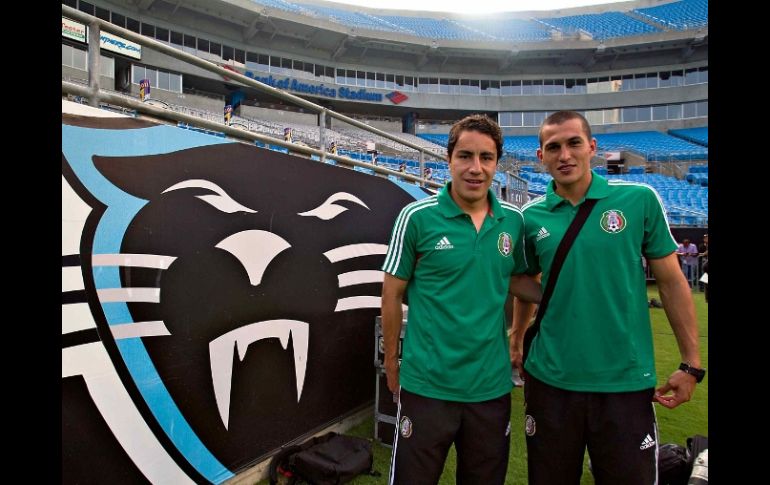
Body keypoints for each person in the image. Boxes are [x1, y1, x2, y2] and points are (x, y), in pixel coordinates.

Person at [511, 111, 703, 485]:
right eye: (553, 147)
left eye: (573, 143)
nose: (564, 154)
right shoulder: (530, 216)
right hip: (551, 380)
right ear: (541, 157)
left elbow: (672, 282)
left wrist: (691, 364)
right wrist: (518, 336)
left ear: (592, 148)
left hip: (624, 384)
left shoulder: (638, 199)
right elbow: (524, 280)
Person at [381, 114, 541, 484]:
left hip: (491, 387)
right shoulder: (416, 217)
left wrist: (560, 300)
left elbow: (517, 278)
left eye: (486, 158)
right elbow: (391, 294)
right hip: (427, 386)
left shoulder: (513, 221)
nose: (475, 168)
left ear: (497, 164)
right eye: (465, 156)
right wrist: (392, 361)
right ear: (449, 159)